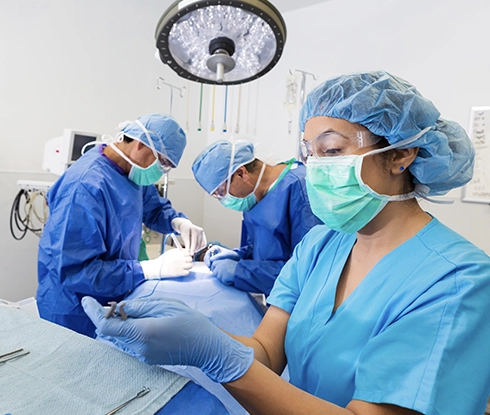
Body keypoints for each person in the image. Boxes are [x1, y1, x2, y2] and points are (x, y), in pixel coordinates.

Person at [82, 71, 490, 414]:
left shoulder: (458, 282)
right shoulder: (320, 245)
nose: (313, 170)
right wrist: (195, 336)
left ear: (401, 155)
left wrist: (218, 358)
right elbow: (266, 350)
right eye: (309, 154)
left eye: (331, 150)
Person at [37, 113, 206, 338]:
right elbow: (76, 271)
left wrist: (178, 222)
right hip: (74, 311)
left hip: (109, 297)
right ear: (139, 145)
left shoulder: (132, 171)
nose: (163, 170)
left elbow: (153, 208)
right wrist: (148, 269)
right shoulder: (84, 187)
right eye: (163, 162)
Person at [192, 139, 321, 295]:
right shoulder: (254, 196)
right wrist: (238, 256)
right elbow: (266, 250)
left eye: (221, 192)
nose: (223, 200)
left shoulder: (300, 190)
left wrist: (241, 271)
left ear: (241, 173)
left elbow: (307, 271)